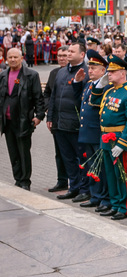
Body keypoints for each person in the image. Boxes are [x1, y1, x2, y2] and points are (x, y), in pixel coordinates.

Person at [88, 54, 127, 220]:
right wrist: (99, 86)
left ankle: (124, 207)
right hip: (105, 138)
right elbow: (93, 101)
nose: (108, 74)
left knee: (121, 175)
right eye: (108, 72)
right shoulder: (109, 91)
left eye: (112, 72)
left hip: (118, 139)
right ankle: (115, 203)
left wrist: (123, 143)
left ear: (122, 73)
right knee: (110, 174)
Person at [48, 42, 90, 202]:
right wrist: (50, 117)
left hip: (76, 124)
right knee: (68, 158)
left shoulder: (86, 72)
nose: (68, 54)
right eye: (68, 51)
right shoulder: (61, 72)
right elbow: (54, 96)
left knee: (81, 159)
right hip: (60, 123)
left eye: (72, 51)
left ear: (82, 54)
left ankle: (85, 189)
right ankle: (74, 187)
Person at [0, 48, 45, 190]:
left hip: (23, 120)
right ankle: (17, 179)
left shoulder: (31, 75)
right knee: (13, 152)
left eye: (15, 57)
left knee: (23, 152)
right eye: (10, 57)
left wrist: (39, 116)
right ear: (6, 59)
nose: (13, 59)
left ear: (21, 58)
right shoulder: (3, 75)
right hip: (7, 122)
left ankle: (25, 181)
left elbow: (38, 97)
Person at [74, 50, 110, 211]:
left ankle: (104, 198)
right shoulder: (89, 84)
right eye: (90, 67)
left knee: (101, 169)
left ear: (103, 71)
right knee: (91, 167)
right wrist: (76, 83)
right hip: (87, 133)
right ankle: (95, 196)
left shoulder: (105, 87)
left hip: (97, 133)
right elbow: (80, 103)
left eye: (94, 68)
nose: (90, 71)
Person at [43, 45, 69, 193]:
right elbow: (47, 93)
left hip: (71, 120)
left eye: (65, 55)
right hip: (56, 119)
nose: (62, 58)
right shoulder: (54, 73)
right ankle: (62, 180)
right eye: (59, 56)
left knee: (73, 153)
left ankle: (78, 183)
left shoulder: (77, 72)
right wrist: (49, 108)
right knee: (59, 152)